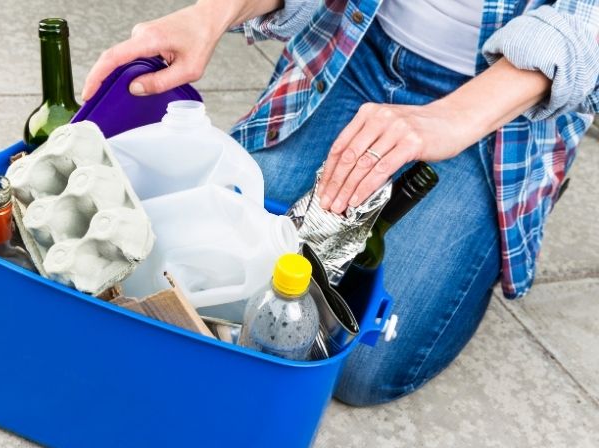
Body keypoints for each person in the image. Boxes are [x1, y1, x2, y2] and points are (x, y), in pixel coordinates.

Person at [83, 0, 599, 405]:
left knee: (355, 363)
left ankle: (506, 218)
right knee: (207, 249)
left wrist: (452, 118)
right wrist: (211, 13)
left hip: (501, 110)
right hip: (355, 48)